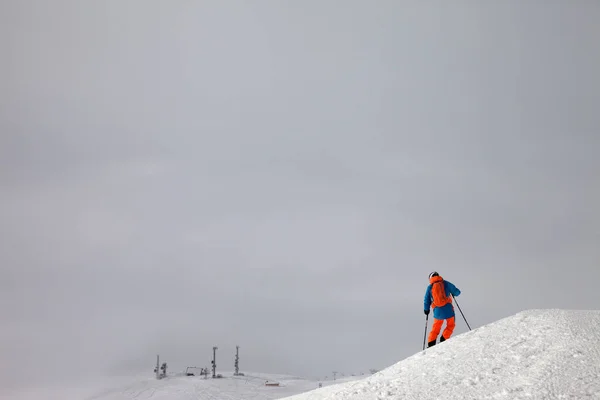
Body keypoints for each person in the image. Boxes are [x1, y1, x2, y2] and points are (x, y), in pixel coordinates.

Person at [424, 271, 461, 347]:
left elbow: (426, 299)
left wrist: (426, 310)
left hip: (438, 312)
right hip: (448, 310)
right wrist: (454, 293)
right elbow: (457, 292)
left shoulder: (430, 287)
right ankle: (443, 339)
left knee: (436, 327)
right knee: (451, 325)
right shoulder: (445, 283)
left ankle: (431, 343)